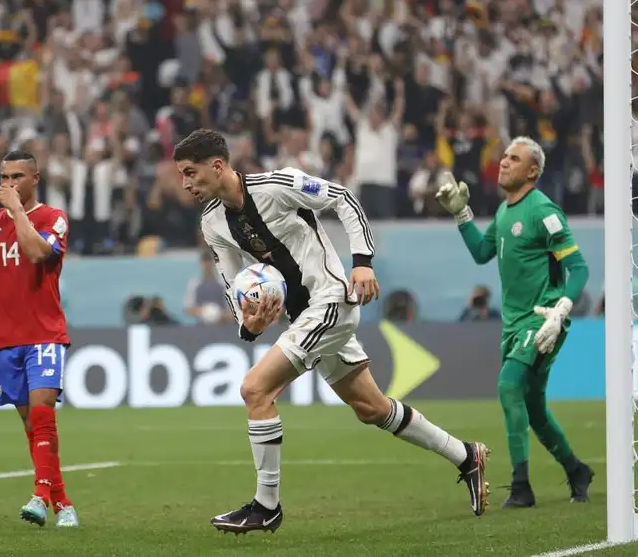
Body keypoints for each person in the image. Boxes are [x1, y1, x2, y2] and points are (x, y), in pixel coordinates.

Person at [173, 129, 491, 534]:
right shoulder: (213, 223)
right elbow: (234, 285)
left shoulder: (277, 185)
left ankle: (266, 506)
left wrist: (363, 263)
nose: (185, 183)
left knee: (255, 390)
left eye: (190, 172)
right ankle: (466, 455)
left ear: (217, 166)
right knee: (372, 409)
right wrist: (247, 324)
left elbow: (344, 198)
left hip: (330, 303)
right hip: (303, 318)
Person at [436, 136, 594, 508]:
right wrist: (461, 215)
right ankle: (576, 470)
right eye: (504, 156)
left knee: (508, 386)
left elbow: (579, 268)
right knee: (534, 408)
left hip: (542, 321)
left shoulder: (543, 211)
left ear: (533, 170)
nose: (504, 162)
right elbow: (481, 253)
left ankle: (521, 486)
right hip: (513, 325)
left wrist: (561, 311)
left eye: (514, 158)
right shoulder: (505, 213)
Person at [0, 150, 77, 528]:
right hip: (6, 338)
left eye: (17, 177)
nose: (9, 184)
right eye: (4, 177)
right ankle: (63, 503)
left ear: (35, 179)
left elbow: (38, 253)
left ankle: (39, 495)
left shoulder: (53, 218)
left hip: (45, 333)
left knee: (42, 413)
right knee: (31, 426)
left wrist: (17, 211)